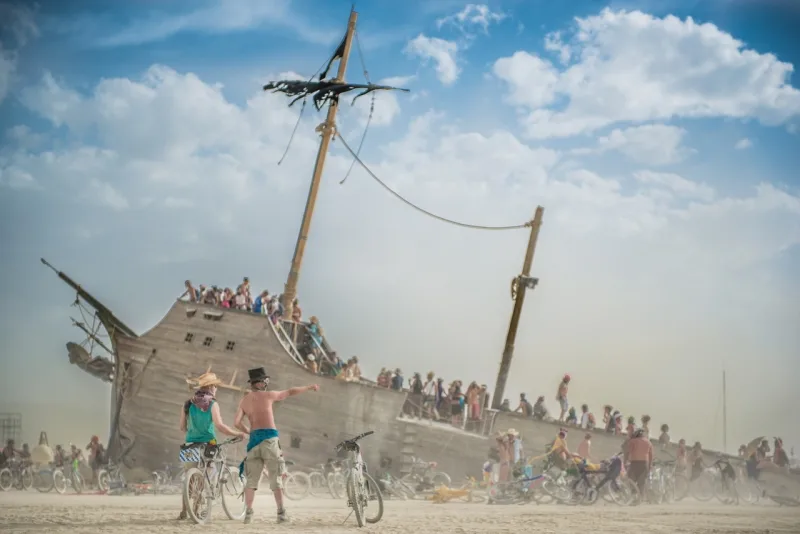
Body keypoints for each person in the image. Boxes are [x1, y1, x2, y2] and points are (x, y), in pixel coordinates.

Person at [234, 367, 319, 524]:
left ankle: (249, 514)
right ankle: (281, 514)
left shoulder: (244, 400)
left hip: (253, 443)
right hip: (269, 440)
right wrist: (308, 387)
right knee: (276, 478)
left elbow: (236, 423)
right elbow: (290, 392)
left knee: (251, 481)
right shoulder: (269, 395)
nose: (267, 383)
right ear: (259, 383)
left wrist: (249, 432)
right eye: (264, 380)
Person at [178, 372, 245, 521]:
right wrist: (237, 433)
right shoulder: (213, 404)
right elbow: (220, 426)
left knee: (189, 478)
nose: (216, 389)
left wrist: (193, 429)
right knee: (209, 473)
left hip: (189, 444)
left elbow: (182, 426)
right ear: (210, 387)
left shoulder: (188, 403)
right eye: (215, 386)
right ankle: (198, 507)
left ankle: (184, 511)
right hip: (208, 444)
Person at [627, 428, 653, 497]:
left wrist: (626, 461)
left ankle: (633, 495)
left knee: (631, 480)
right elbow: (651, 456)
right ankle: (640, 498)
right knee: (641, 482)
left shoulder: (633, 441)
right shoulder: (649, 442)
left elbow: (629, 451)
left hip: (634, 463)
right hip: (645, 464)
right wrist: (650, 465)